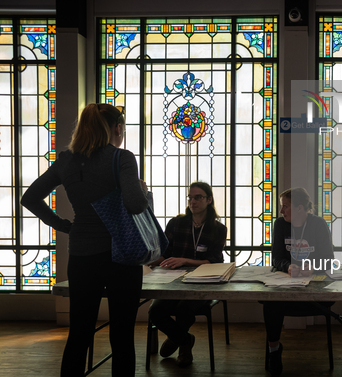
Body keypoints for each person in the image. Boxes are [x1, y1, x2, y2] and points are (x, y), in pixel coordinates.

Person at [21, 103, 149, 376]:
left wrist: (66, 226)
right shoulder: (122, 157)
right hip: (121, 256)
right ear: (116, 128)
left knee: (79, 333)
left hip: (82, 256)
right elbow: (136, 205)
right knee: (122, 336)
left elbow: (29, 198)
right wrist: (143, 190)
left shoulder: (66, 159)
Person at [148, 181, 227, 367]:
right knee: (155, 311)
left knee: (185, 308)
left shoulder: (218, 229)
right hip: (172, 280)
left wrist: (184, 261)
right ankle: (184, 340)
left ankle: (182, 347)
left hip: (203, 282)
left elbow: (214, 261)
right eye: (190, 197)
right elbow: (165, 254)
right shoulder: (176, 223)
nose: (193, 201)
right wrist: (147, 260)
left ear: (208, 200)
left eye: (198, 197)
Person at [264, 187, 334, 377]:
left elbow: (328, 259)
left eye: (285, 206)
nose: (281, 211)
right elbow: (276, 258)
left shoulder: (318, 224)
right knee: (270, 303)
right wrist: (287, 267)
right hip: (286, 286)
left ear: (300, 209)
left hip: (315, 289)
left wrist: (312, 266)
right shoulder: (280, 225)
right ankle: (274, 351)